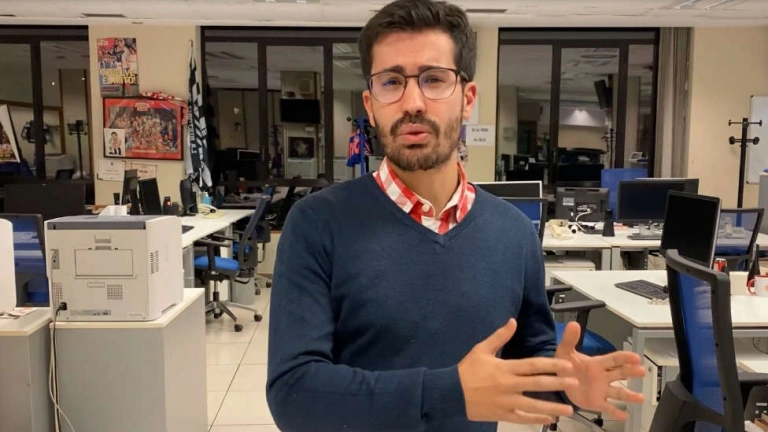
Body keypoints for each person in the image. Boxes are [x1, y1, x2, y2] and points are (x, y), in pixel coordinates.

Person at [266, 1, 646, 431]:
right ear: (370, 105)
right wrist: (451, 392)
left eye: (433, 79)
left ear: (467, 99)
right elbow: (294, 394)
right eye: (391, 82)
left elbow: (528, 353)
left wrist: (562, 384)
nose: (413, 102)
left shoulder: (514, 233)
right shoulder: (317, 224)